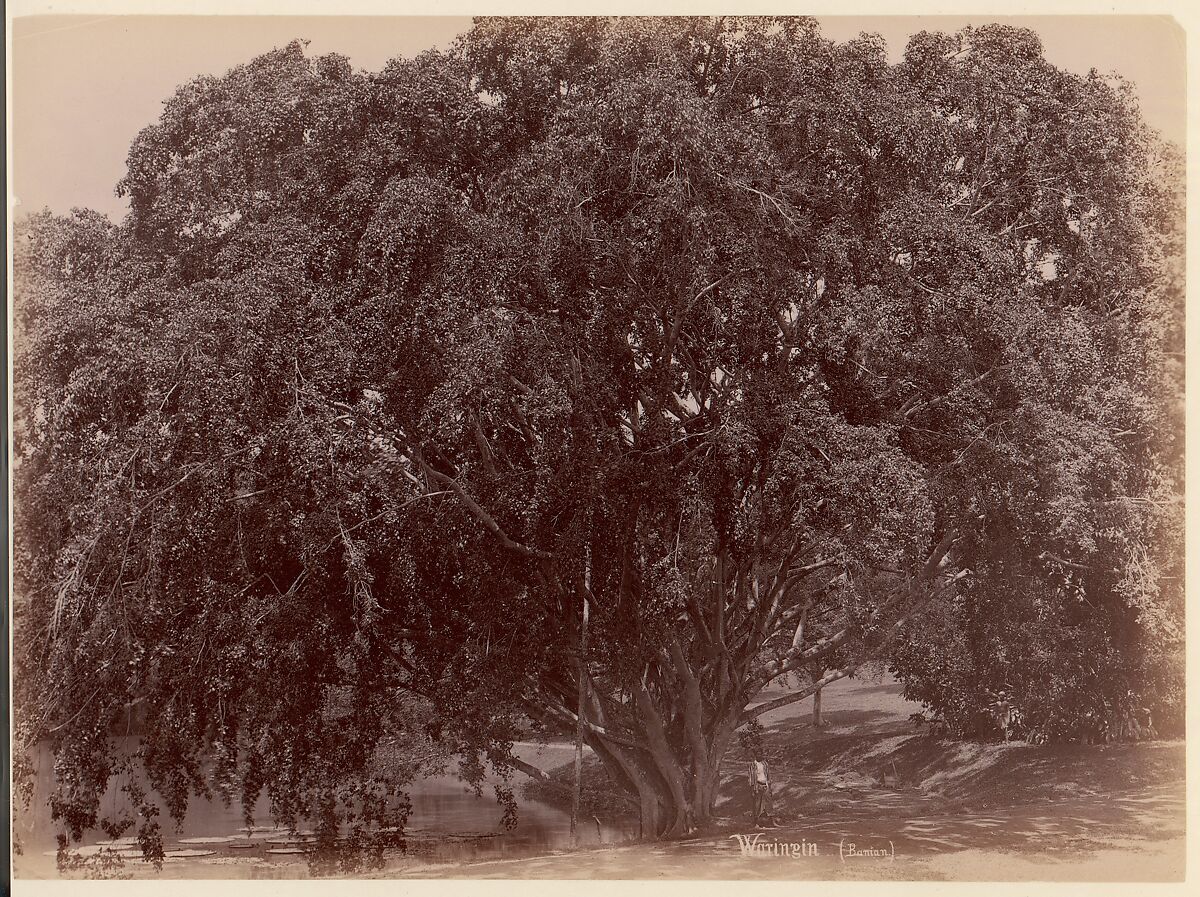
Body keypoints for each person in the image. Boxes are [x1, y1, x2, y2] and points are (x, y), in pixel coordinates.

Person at [748, 754, 777, 827]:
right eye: (758, 754)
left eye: (761, 754)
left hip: (765, 785)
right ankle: (756, 823)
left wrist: (769, 787)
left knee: (769, 803)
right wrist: (752, 790)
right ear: (755, 755)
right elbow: (751, 778)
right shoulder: (753, 765)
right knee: (757, 805)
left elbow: (768, 776)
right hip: (757, 786)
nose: (760, 756)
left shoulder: (765, 764)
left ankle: (772, 822)